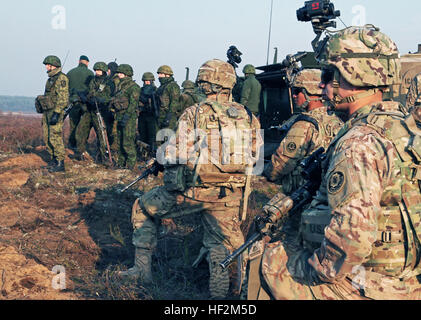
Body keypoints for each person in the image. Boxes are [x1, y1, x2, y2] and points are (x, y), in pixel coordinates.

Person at [248, 25, 421, 300]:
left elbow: (349, 245)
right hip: (407, 278)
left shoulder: (359, 142)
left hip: (366, 285)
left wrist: (311, 267)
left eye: (328, 76)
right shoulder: (403, 126)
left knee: (263, 258)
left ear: (353, 74)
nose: (321, 85)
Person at [118, 59, 263, 299]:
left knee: (142, 207)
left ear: (207, 83)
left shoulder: (195, 112)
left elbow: (177, 152)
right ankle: (234, 290)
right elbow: (256, 155)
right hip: (229, 196)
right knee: (227, 243)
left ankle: (141, 271)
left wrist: (160, 158)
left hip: (193, 193)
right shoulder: (248, 116)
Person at [263, 69, 344, 195]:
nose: (294, 96)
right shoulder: (336, 120)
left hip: (301, 191)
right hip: (325, 190)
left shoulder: (304, 124)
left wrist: (266, 175)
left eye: (297, 91)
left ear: (310, 92)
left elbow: (281, 164)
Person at [74, 62, 114, 164]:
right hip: (89, 110)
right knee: (80, 131)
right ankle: (80, 153)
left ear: (104, 71)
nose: (97, 72)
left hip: (99, 112)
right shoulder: (92, 81)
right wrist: (83, 96)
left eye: (99, 70)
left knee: (102, 136)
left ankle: (104, 157)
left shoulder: (108, 82)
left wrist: (98, 99)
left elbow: (108, 97)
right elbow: (89, 92)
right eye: (96, 70)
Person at [35, 55, 69, 172]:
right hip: (47, 112)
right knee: (47, 136)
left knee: (55, 137)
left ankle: (60, 163)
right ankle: (53, 160)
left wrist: (57, 112)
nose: (46, 67)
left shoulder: (61, 78)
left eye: (47, 65)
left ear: (53, 65)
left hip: (55, 112)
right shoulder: (50, 79)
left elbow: (63, 98)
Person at [110, 64, 141, 169]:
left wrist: (126, 117)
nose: (119, 75)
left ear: (127, 74)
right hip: (119, 116)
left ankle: (131, 165)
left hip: (129, 118)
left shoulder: (134, 87)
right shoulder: (119, 86)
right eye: (118, 73)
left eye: (121, 73)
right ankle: (121, 163)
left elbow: (133, 104)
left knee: (127, 142)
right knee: (119, 141)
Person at [66, 55, 94, 150]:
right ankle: (82, 145)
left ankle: (72, 145)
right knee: (85, 126)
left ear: (79, 61)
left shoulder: (70, 72)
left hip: (73, 102)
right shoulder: (90, 73)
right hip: (85, 103)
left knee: (73, 124)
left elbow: (66, 89)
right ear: (87, 63)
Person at [155, 65, 181, 131]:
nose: (159, 76)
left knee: (168, 138)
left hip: (169, 117)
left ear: (167, 75)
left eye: (161, 74)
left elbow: (174, 102)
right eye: (159, 74)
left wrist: (168, 117)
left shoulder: (173, 86)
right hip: (159, 116)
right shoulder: (161, 87)